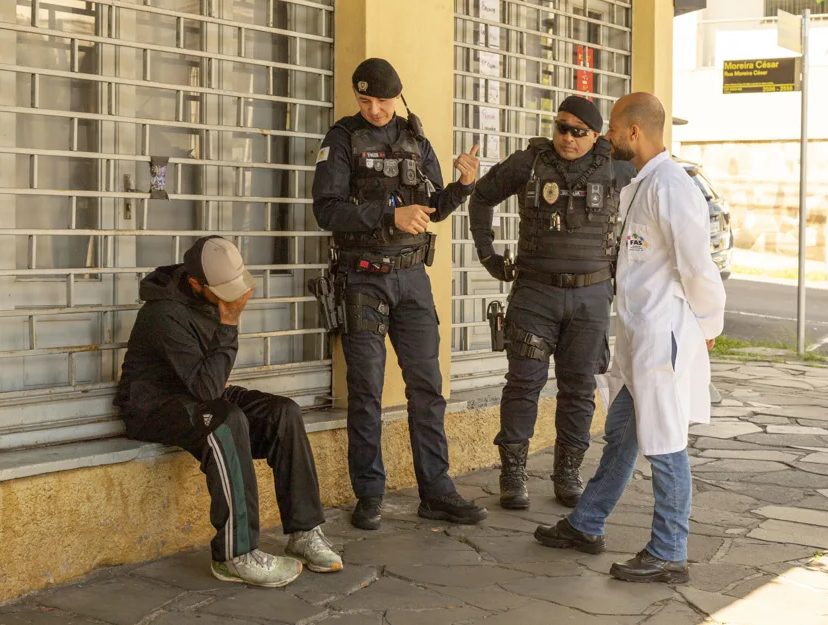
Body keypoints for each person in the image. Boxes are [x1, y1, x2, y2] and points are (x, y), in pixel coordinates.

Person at [533, 93, 727, 585]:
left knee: (666, 445)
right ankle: (586, 523)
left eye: (614, 130)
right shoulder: (646, 183)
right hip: (639, 339)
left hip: (663, 339)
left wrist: (707, 328)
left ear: (635, 132)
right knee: (621, 436)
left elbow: (698, 268)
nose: (607, 137)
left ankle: (669, 552)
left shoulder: (672, 186)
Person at [311, 58, 487, 530]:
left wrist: (463, 187)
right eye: (365, 100)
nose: (373, 109)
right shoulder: (342, 140)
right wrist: (389, 216)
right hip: (362, 279)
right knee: (366, 391)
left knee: (427, 388)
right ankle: (369, 494)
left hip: (411, 280)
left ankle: (437, 490)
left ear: (398, 96)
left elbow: (433, 209)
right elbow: (326, 212)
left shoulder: (415, 139)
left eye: (382, 101)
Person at [114, 236, 342, 588]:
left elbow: (209, 386)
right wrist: (230, 324)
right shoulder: (164, 313)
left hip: (200, 394)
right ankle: (236, 555)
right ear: (194, 284)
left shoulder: (207, 298)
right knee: (225, 421)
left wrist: (226, 323)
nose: (234, 298)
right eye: (224, 290)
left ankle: (303, 533)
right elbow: (206, 389)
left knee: (284, 412)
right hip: (155, 406)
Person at [469, 96, 635, 510]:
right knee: (523, 384)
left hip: (591, 298)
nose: (567, 137)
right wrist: (488, 255)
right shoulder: (530, 161)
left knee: (579, 390)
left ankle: (568, 473)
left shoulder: (619, 167)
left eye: (578, 131)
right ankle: (512, 475)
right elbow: (482, 197)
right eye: (561, 127)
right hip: (534, 295)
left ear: (595, 134)